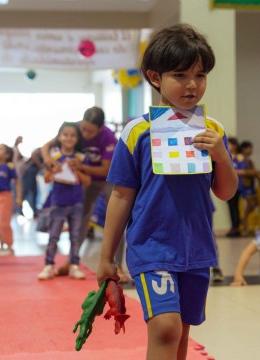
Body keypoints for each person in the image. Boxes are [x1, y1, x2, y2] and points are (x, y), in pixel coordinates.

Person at [96, 24, 238, 360]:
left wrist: (221, 155)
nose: (192, 85)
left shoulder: (213, 130)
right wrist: (107, 257)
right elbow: (120, 195)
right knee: (165, 328)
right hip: (152, 246)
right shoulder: (137, 131)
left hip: (197, 247)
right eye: (180, 75)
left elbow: (226, 192)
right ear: (155, 77)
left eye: (200, 75)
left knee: (182, 332)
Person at [40, 106, 126, 280]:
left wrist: (80, 167)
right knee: (81, 219)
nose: (85, 134)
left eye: (90, 131)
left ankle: (117, 265)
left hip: (107, 179)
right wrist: (49, 160)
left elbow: (105, 169)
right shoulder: (75, 129)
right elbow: (46, 146)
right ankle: (72, 261)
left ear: (100, 128)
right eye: (83, 129)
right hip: (85, 179)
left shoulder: (108, 137)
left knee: (117, 218)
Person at [37, 122, 91, 280]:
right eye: (65, 134)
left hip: (76, 202)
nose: (68, 138)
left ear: (77, 138)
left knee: (75, 236)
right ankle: (48, 265)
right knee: (54, 235)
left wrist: (77, 171)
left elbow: (87, 181)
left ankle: (74, 265)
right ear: (59, 136)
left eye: (73, 135)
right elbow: (46, 179)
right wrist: (53, 171)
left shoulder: (81, 157)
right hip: (58, 202)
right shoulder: (54, 155)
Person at [0, 144, 22, 256]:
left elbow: (17, 182)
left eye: (0, 149)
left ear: (7, 155)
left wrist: (19, 197)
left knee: (4, 223)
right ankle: (1, 246)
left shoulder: (9, 167)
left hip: (5, 196)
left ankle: (9, 246)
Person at [226, 137, 246, 237]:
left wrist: (231, 171)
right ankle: (233, 227)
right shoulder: (226, 155)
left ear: (234, 145)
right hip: (227, 185)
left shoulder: (239, 157)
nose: (228, 146)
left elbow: (243, 170)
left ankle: (236, 228)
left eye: (230, 144)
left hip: (237, 187)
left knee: (235, 208)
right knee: (231, 208)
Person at [22, 147, 43, 218]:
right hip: (30, 173)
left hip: (34, 174)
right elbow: (33, 155)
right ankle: (18, 209)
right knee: (26, 192)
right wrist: (40, 165)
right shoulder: (41, 151)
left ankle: (35, 212)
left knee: (33, 193)